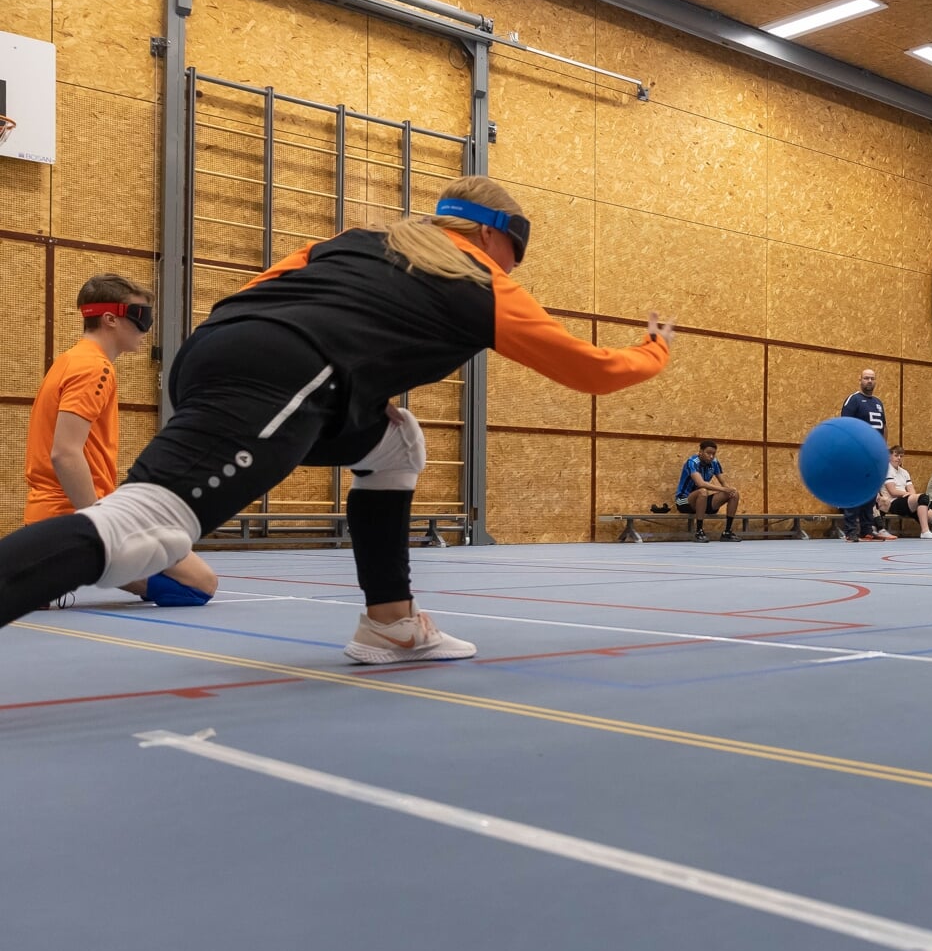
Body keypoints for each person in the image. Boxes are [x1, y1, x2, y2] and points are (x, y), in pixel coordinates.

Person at [0, 176, 673, 663]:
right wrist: (656, 347)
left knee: (395, 444)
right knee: (142, 529)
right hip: (287, 372)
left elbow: (262, 291)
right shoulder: (482, 283)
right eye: (514, 255)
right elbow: (594, 371)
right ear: (497, 238)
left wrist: (353, 389)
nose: (511, 266)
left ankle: (391, 624)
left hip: (221, 351)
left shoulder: (356, 242)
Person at [25, 274, 219, 608]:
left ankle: (60, 569)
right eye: (141, 318)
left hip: (51, 512)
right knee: (200, 584)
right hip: (71, 511)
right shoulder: (93, 368)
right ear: (110, 318)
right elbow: (65, 453)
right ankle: (74, 565)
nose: (146, 330)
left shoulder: (71, 359)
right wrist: (101, 526)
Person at [838, 368, 885, 542]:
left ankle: (867, 529)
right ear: (860, 380)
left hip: (874, 455)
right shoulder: (853, 400)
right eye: (866, 378)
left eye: (872, 378)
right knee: (855, 490)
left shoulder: (879, 403)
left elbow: (883, 428)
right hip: (857, 453)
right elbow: (845, 426)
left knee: (870, 492)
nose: (869, 381)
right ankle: (850, 531)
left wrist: (882, 449)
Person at [675, 439, 739, 542]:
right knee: (702, 491)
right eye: (708, 453)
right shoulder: (692, 462)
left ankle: (727, 532)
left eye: (713, 454)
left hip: (702, 501)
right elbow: (700, 483)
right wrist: (724, 489)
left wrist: (729, 490)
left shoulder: (714, 462)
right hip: (685, 501)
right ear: (700, 452)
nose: (711, 456)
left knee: (734, 494)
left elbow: (723, 483)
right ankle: (699, 531)